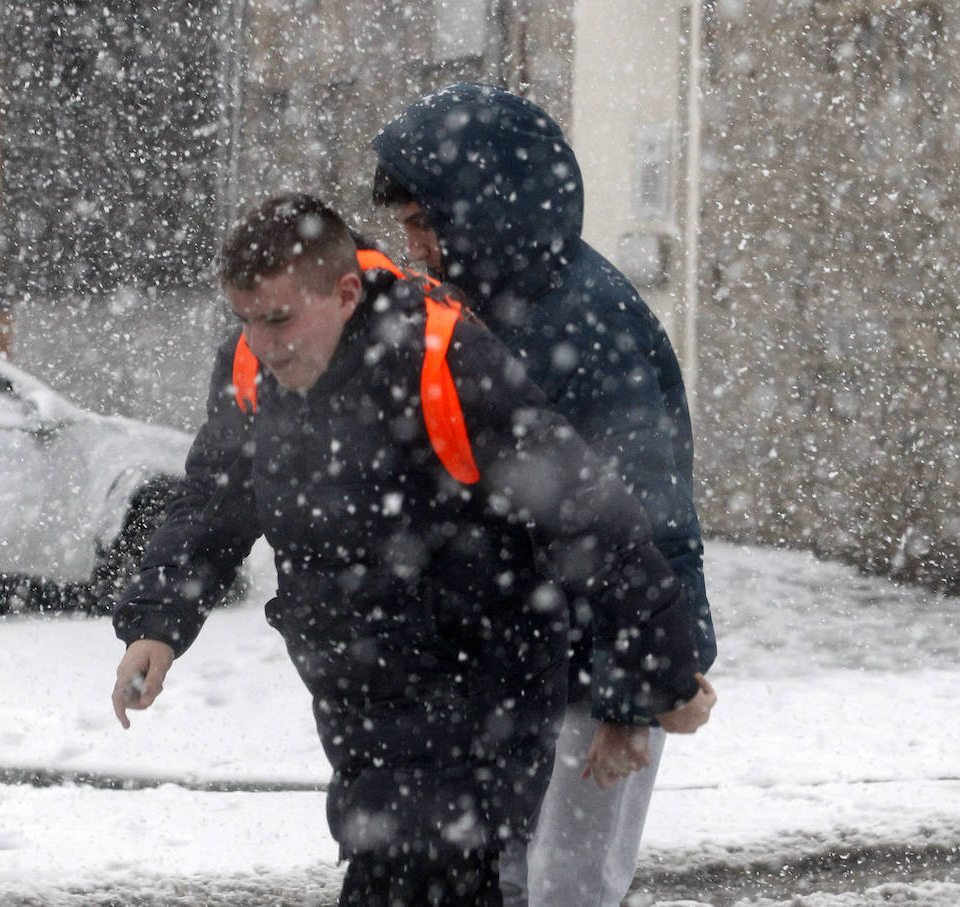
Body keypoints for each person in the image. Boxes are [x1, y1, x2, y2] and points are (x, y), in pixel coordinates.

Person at [111, 193, 711, 906]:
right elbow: (214, 498)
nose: (263, 342)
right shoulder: (251, 368)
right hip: (360, 694)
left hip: (479, 689)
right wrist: (158, 622)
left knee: (416, 873)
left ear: (343, 292)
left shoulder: (442, 357)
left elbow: (589, 513)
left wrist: (662, 669)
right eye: (245, 318)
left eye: (278, 318)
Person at [371, 82, 719, 905]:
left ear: (479, 210)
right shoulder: (476, 311)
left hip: (592, 670)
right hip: (517, 667)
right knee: (511, 880)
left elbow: (648, 519)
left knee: (569, 887)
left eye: (425, 222)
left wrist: (630, 695)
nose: (415, 246)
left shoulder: (586, 322)